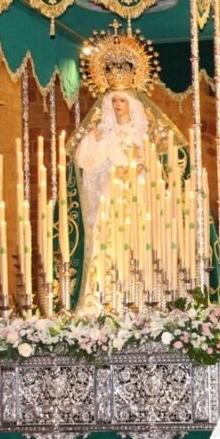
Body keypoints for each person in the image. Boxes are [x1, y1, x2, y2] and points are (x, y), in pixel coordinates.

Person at [73, 89, 150, 301]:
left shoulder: (140, 133)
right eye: (114, 100)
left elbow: (149, 164)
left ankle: (138, 289)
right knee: (106, 233)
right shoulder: (106, 133)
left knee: (135, 233)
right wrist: (91, 140)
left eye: (122, 100)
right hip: (112, 187)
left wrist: (138, 163)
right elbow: (86, 161)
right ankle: (103, 292)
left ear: (131, 104)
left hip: (135, 187)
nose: (118, 104)